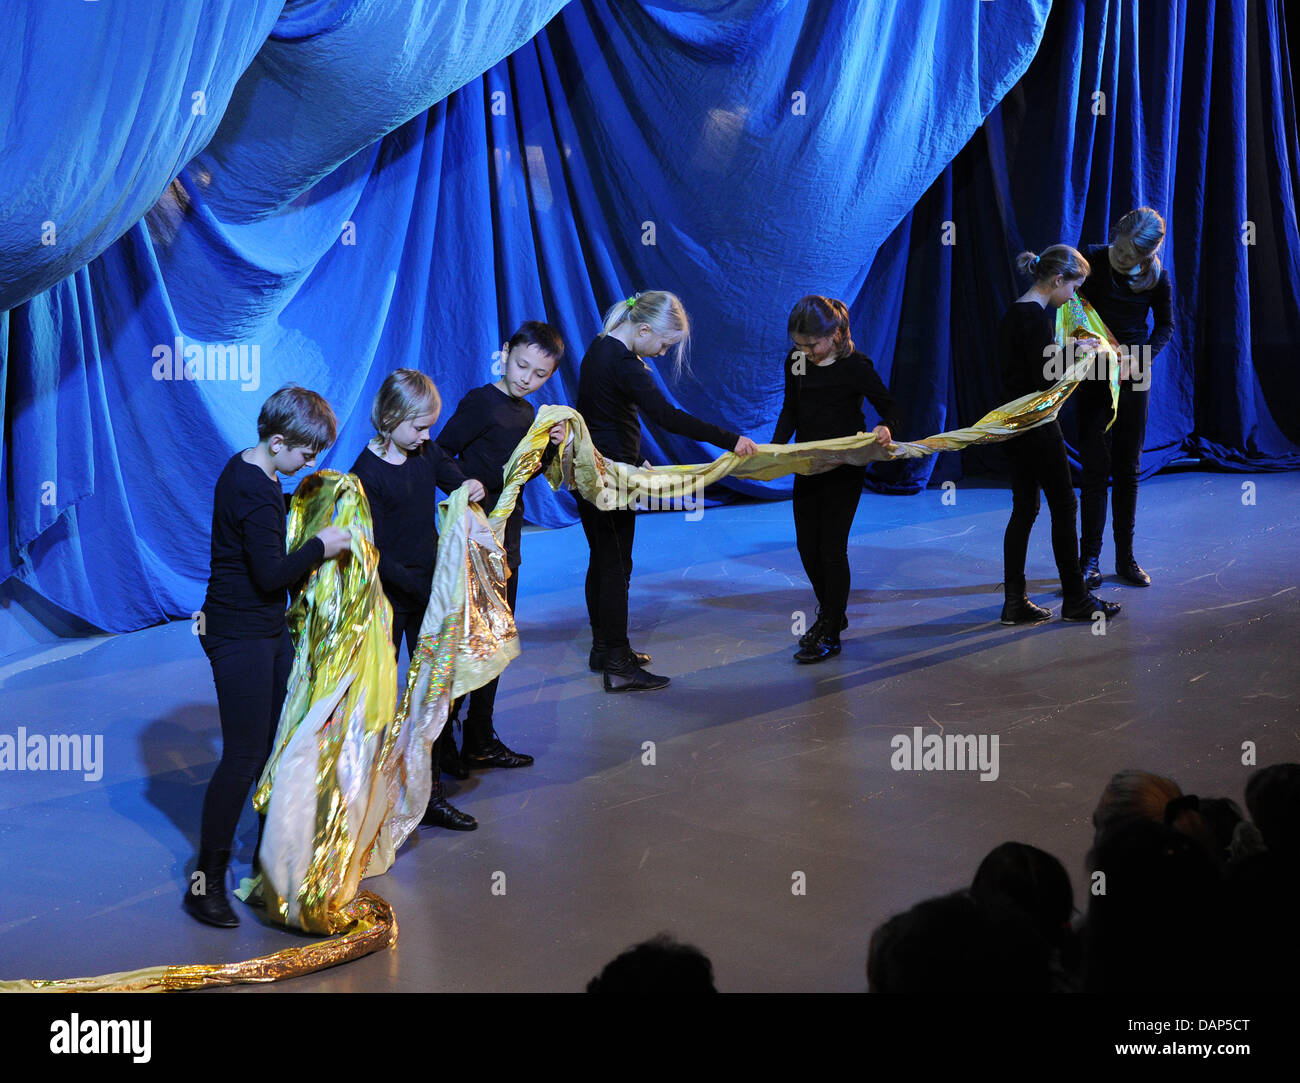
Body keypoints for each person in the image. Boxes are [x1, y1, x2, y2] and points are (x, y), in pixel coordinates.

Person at [187, 386, 351, 928]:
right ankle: (205, 881)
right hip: (238, 634)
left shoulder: (252, 471)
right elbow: (271, 575)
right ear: (278, 441)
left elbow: (263, 526)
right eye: (305, 454)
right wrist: (321, 546)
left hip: (262, 630)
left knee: (273, 745)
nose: (309, 463)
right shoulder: (254, 489)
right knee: (243, 756)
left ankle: (268, 856)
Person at [575, 291, 758, 692]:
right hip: (610, 481)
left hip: (595, 471)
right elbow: (668, 418)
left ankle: (605, 649)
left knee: (604, 561)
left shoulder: (599, 349)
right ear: (643, 329)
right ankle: (618, 665)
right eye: (662, 344)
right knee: (616, 567)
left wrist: (633, 455)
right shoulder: (625, 364)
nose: (661, 353)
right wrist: (730, 439)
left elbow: (607, 417)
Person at [349, 369, 484, 831]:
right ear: (389, 418)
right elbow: (374, 551)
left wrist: (466, 484)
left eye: (430, 427)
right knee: (383, 698)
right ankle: (375, 792)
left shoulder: (424, 450)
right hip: (389, 599)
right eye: (419, 427)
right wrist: (423, 590)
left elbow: (446, 469)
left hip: (427, 591)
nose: (427, 436)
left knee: (433, 692)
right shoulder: (365, 474)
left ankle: (431, 793)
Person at [435, 322, 566, 772]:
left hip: (505, 544)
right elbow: (440, 452)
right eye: (521, 365)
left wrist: (549, 450)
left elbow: (521, 474)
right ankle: (440, 744)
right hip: (472, 539)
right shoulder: (480, 402)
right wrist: (462, 483)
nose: (527, 378)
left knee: (496, 641)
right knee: (462, 641)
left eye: (539, 374)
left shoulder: (529, 415)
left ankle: (480, 736)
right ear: (505, 353)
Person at [771, 295, 900, 662]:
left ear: (837, 334)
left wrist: (885, 427)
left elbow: (891, 408)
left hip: (844, 466)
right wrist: (773, 452)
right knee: (806, 546)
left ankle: (829, 629)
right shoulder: (796, 362)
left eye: (812, 344)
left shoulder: (856, 366)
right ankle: (833, 611)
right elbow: (791, 410)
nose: (805, 351)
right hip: (809, 463)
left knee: (831, 547)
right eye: (798, 344)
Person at [997, 246, 1120, 625]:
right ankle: (1076, 600)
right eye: (1073, 288)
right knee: (1064, 506)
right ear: (1057, 280)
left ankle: (1015, 601)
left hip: (1015, 424)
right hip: (1035, 424)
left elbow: (1029, 366)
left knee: (1025, 508)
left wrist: (1066, 350)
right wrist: (1078, 352)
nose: (1073, 297)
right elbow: (1043, 377)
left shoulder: (1016, 313)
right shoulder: (1032, 317)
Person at [1076, 207, 1173, 589]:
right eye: (1119, 249)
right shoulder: (1093, 260)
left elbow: (1166, 326)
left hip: (1133, 375)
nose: (1121, 258)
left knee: (1128, 468)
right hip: (1095, 374)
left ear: (1147, 256)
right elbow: (1071, 312)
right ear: (1114, 235)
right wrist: (1082, 344)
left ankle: (1125, 558)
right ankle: (1090, 560)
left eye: (1131, 255)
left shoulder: (1158, 278)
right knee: (1095, 468)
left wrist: (1143, 357)